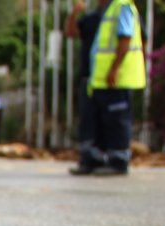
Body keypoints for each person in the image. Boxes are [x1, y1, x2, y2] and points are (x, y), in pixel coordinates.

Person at [74, 0, 145, 175]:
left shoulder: (122, 7)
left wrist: (115, 68)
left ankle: (119, 161)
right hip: (101, 81)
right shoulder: (108, 10)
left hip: (117, 79)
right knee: (102, 122)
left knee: (117, 121)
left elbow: (125, 38)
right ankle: (100, 158)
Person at [65, 0, 104, 174]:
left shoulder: (120, 14)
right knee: (88, 121)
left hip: (111, 79)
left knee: (107, 122)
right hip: (89, 77)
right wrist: (74, 14)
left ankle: (106, 159)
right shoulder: (91, 18)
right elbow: (71, 33)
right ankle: (88, 160)